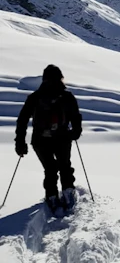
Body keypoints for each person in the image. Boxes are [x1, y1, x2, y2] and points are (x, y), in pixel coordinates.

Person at [15, 65, 82, 211]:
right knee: (65, 165)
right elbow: (76, 116)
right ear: (60, 77)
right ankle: (68, 193)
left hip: (40, 139)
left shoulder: (34, 97)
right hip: (62, 137)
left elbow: (22, 120)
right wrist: (76, 132)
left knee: (50, 169)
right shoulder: (67, 96)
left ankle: (52, 196)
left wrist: (20, 143)